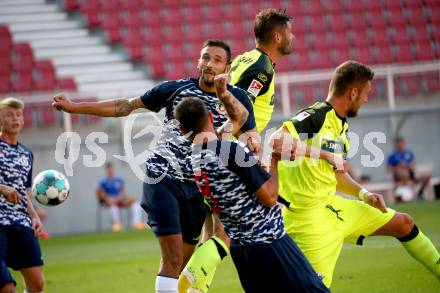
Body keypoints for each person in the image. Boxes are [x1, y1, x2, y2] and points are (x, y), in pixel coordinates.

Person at [53, 39, 256, 293]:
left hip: (197, 188)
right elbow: (124, 106)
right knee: (172, 258)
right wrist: (74, 107)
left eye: (217, 60)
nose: (209, 64)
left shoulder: (237, 99)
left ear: (227, 66)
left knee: (180, 264)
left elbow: (252, 139)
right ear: (198, 61)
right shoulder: (175, 89)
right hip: (163, 176)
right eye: (205, 57)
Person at [274, 60, 440, 288]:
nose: (367, 99)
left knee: (404, 223)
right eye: (365, 93)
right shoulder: (318, 114)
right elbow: (277, 141)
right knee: (313, 288)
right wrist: (324, 154)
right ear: (353, 93)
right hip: (308, 220)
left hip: (334, 206)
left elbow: (338, 176)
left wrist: (363, 194)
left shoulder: (341, 127)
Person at [179, 9, 294, 292]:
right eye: (290, 33)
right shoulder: (261, 69)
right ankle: (192, 273)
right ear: (278, 36)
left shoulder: (247, 58)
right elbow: (235, 106)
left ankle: (197, 286)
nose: (293, 37)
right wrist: (231, 144)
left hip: (215, 146)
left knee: (214, 225)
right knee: (230, 228)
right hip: (230, 149)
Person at [174, 97, 329, 293]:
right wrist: (273, 159)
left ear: (182, 131)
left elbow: (236, 122)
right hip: (270, 242)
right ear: (211, 118)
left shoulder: (194, 158)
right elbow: (270, 197)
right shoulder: (231, 151)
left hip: (242, 250)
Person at [0, 97, 45, 293]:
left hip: (21, 222)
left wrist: (34, 216)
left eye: (18, 115)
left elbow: (24, 189)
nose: (15, 118)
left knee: (37, 284)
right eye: (9, 115)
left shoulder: (27, 154)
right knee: (7, 287)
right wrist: (1, 187)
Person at [96, 161, 144, 232]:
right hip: (109, 201)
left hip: (119, 199)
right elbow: (102, 194)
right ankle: (117, 225)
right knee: (113, 205)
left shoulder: (119, 179)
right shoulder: (103, 181)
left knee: (135, 201)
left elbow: (122, 191)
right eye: (109, 168)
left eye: (111, 168)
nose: (110, 170)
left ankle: (136, 223)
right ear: (106, 169)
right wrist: (110, 199)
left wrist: (120, 198)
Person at [387, 136, 431, 202]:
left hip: (410, 173)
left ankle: (420, 194)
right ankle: (405, 195)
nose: (400, 145)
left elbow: (414, 165)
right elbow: (389, 169)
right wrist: (397, 167)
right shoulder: (392, 155)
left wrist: (407, 165)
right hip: (398, 175)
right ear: (396, 144)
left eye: (401, 143)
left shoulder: (409, 153)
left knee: (426, 177)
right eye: (398, 143)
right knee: (403, 173)